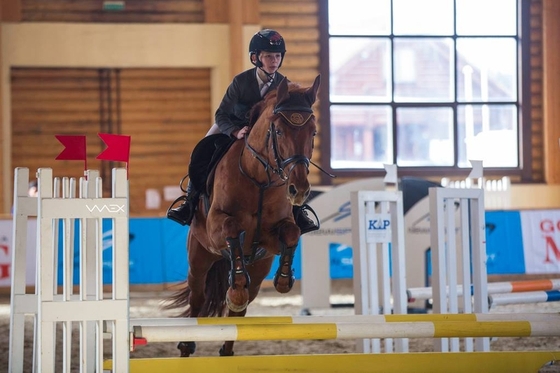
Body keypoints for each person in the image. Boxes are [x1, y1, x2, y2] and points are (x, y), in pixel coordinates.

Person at [167, 29, 319, 234]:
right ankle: (189, 203)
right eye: (268, 56)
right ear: (256, 58)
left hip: (264, 134)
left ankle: (298, 212)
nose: (274, 61)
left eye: (277, 56)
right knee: (202, 149)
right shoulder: (241, 81)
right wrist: (235, 131)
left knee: (286, 160)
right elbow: (221, 114)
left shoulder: (284, 84)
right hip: (233, 124)